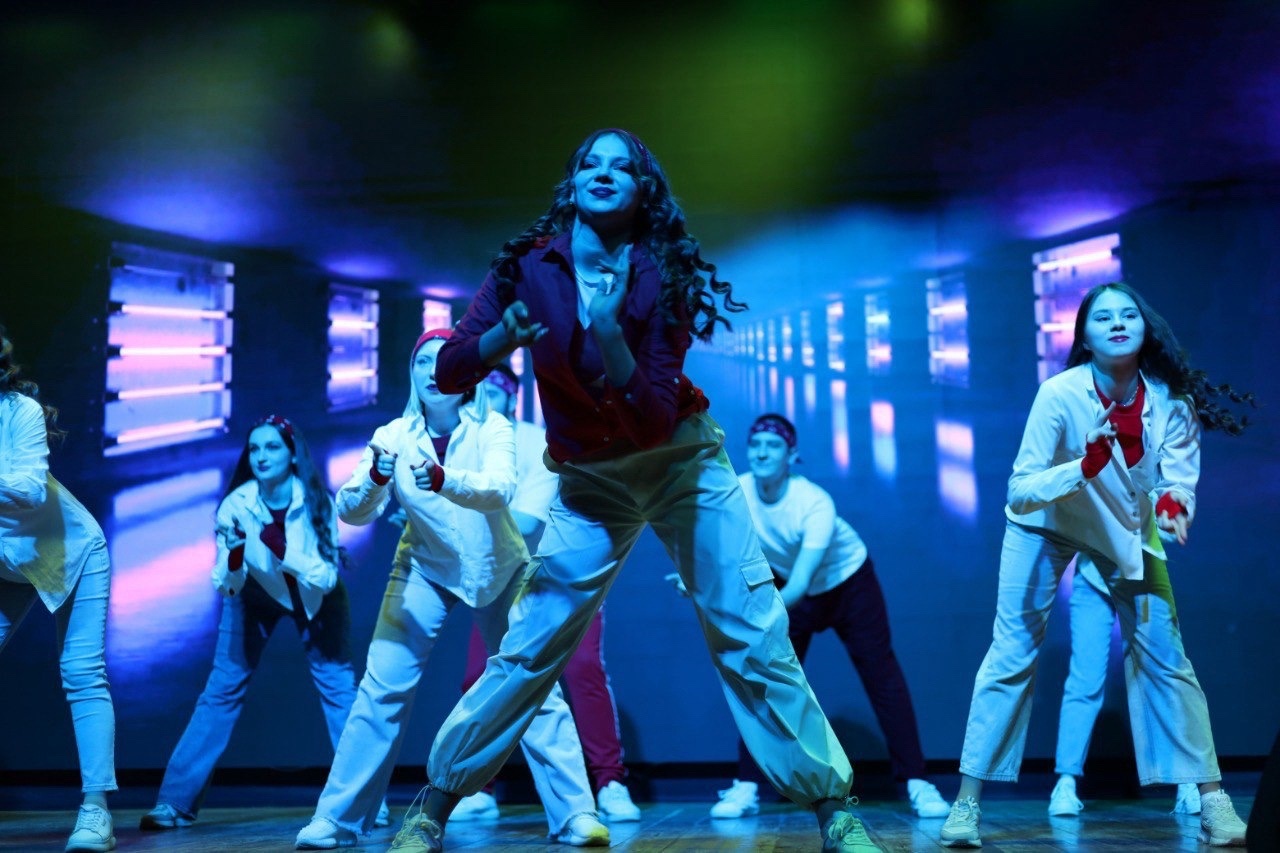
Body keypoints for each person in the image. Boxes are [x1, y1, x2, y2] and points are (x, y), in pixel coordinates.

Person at [401, 128, 883, 853]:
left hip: (679, 463)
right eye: (589, 163)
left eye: (620, 166)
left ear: (642, 189)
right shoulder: (530, 266)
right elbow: (448, 370)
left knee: (751, 630)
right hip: (590, 478)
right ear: (572, 184)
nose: (603, 173)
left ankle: (834, 808)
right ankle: (433, 806)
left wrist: (608, 331)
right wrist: (502, 337)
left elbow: (655, 419)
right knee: (531, 641)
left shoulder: (662, 272)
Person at [940, 282, 1253, 848]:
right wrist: (1083, 466)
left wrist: (1173, 505)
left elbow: (1176, 482)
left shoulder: (1172, 402)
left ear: (1145, 328)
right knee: (1011, 654)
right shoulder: (1059, 394)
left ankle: (1212, 801)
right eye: (1103, 317)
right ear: (1084, 336)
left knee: (1168, 658)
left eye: (1128, 314)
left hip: (1124, 531)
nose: (1118, 323)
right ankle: (965, 805)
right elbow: (1019, 491)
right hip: (1045, 523)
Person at [295, 330, 606, 850]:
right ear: (412, 374)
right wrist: (375, 478)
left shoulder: (493, 426)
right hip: (423, 564)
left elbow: (500, 489)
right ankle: (337, 818)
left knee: (532, 685)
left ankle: (575, 813)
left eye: (444, 361)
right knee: (382, 687)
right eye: (422, 362)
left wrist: (443, 478)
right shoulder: (393, 434)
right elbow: (351, 511)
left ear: (466, 375)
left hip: (498, 566)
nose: (432, 371)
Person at [689, 413, 949, 820]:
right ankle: (747, 785)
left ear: (792, 455)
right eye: (755, 444)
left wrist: (759, 615)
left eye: (773, 445)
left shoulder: (813, 503)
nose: (761, 452)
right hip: (789, 580)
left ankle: (918, 782)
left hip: (846, 583)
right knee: (765, 679)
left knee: (882, 676)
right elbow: (720, 553)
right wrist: (695, 580)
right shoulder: (739, 491)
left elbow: (801, 585)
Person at [140, 414, 388, 831]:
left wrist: (280, 548)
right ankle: (175, 803)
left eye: (272, 447)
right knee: (220, 692)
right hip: (253, 596)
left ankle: (367, 803)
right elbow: (226, 585)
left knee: (341, 694)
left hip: (317, 600)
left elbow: (325, 578)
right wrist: (236, 555)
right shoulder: (236, 505)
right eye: (254, 448)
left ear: (292, 455)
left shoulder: (316, 501)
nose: (261, 456)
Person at [451, 363, 641, 823]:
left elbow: (525, 523)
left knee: (582, 670)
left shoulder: (536, 441)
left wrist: (454, 515)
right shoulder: (462, 447)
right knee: (479, 676)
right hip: (501, 583)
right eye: (480, 390)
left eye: (498, 389)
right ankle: (477, 788)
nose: (488, 397)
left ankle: (610, 783)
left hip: (561, 577)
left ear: (513, 397)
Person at [0, 325, 118, 853]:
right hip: (7, 562)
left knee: (81, 672)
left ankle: (96, 811)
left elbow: (28, 490)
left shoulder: (19, 411)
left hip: (69, 553)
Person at [1048, 556, 1201, 817]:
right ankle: (1065, 782)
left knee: (1163, 675)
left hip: (1143, 576)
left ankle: (1187, 782)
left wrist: (1169, 528)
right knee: (1084, 679)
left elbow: (1166, 528)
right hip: (1092, 577)